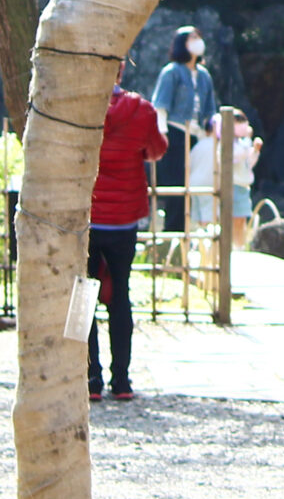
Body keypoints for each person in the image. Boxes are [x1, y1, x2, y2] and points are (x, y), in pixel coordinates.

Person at [89, 84, 165, 403]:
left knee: (84, 295)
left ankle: (91, 378)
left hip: (88, 213)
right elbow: (156, 150)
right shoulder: (142, 110)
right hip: (123, 217)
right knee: (121, 292)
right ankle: (122, 379)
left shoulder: (80, 105)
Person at [150, 26, 216, 232]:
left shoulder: (204, 76)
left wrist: (211, 130)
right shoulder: (172, 72)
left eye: (199, 37)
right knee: (176, 187)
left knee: (195, 185)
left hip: (195, 135)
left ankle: (191, 233)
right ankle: (173, 236)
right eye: (193, 38)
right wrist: (162, 135)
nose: (198, 41)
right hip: (175, 134)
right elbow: (160, 107)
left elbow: (209, 111)